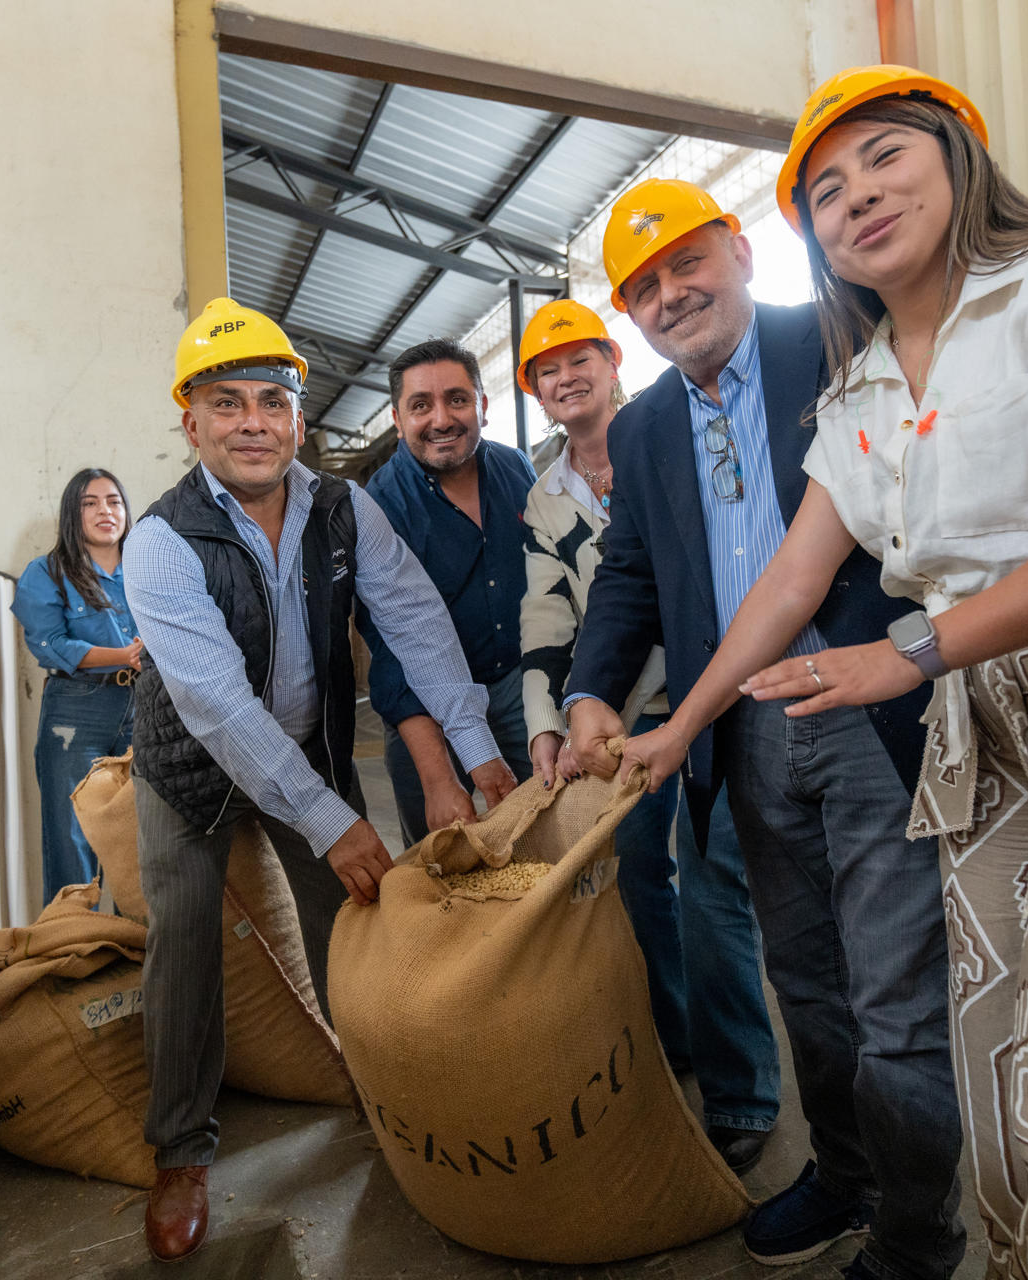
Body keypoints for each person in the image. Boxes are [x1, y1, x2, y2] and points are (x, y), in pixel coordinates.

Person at [620, 65, 1028, 1280]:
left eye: (885, 156)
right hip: (983, 704)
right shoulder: (863, 385)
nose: (860, 196)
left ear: (957, 154)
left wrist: (910, 649)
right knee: (999, 1048)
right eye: (826, 190)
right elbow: (784, 582)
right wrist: (682, 725)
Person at [563, 176, 967, 1280]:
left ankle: (921, 1233)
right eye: (643, 287)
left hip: (872, 704)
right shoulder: (643, 426)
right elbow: (633, 572)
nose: (671, 294)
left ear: (739, 251)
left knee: (894, 996)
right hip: (740, 733)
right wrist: (590, 688)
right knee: (807, 986)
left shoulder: (842, 336)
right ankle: (846, 1172)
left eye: (687, 262)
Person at [121, 298, 516, 1263]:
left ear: (299, 417)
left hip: (311, 750)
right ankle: (181, 1148)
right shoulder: (161, 540)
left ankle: (391, 1094)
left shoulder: (344, 506)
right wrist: (330, 819)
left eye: (270, 401)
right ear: (192, 422)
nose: (252, 421)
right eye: (226, 404)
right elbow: (216, 707)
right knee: (185, 940)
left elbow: (414, 619)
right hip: (194, 768)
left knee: (357, 926)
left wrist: (479, 751)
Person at [516, 297, 781, 1171]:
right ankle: (677, 1046)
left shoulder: (673, 430)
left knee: (714, 891)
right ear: (535, 392)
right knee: (636, 886)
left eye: (580, 357)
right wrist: (549, 721)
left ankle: (741, 1091)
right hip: (614, 722)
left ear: (613, 360)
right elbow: (547, 617)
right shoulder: (545, 498)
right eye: (547, 370)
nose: (566, 376)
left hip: (708, 694)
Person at [360, 338, 536, 845]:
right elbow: (393, 646)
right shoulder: (379, 508)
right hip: (426, 715)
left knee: (541, 848)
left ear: (482, 404)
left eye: (457, 399)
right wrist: (438, 777)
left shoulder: (515, 468)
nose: (442, 418)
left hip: (521, 692)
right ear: (398, 418)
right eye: (421, 405)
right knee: (445, 864)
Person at [10, 467, 144, 905]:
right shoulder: (46, 572)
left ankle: (138, 950)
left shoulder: (149, 569)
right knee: (74, 836)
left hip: (147, 706)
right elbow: (51, 646)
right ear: (73, 514)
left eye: (113, 501)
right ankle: (76, 952)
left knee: (141, 834)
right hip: (77, 712)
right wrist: (127, 655)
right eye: (90, 503)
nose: (105, 511)